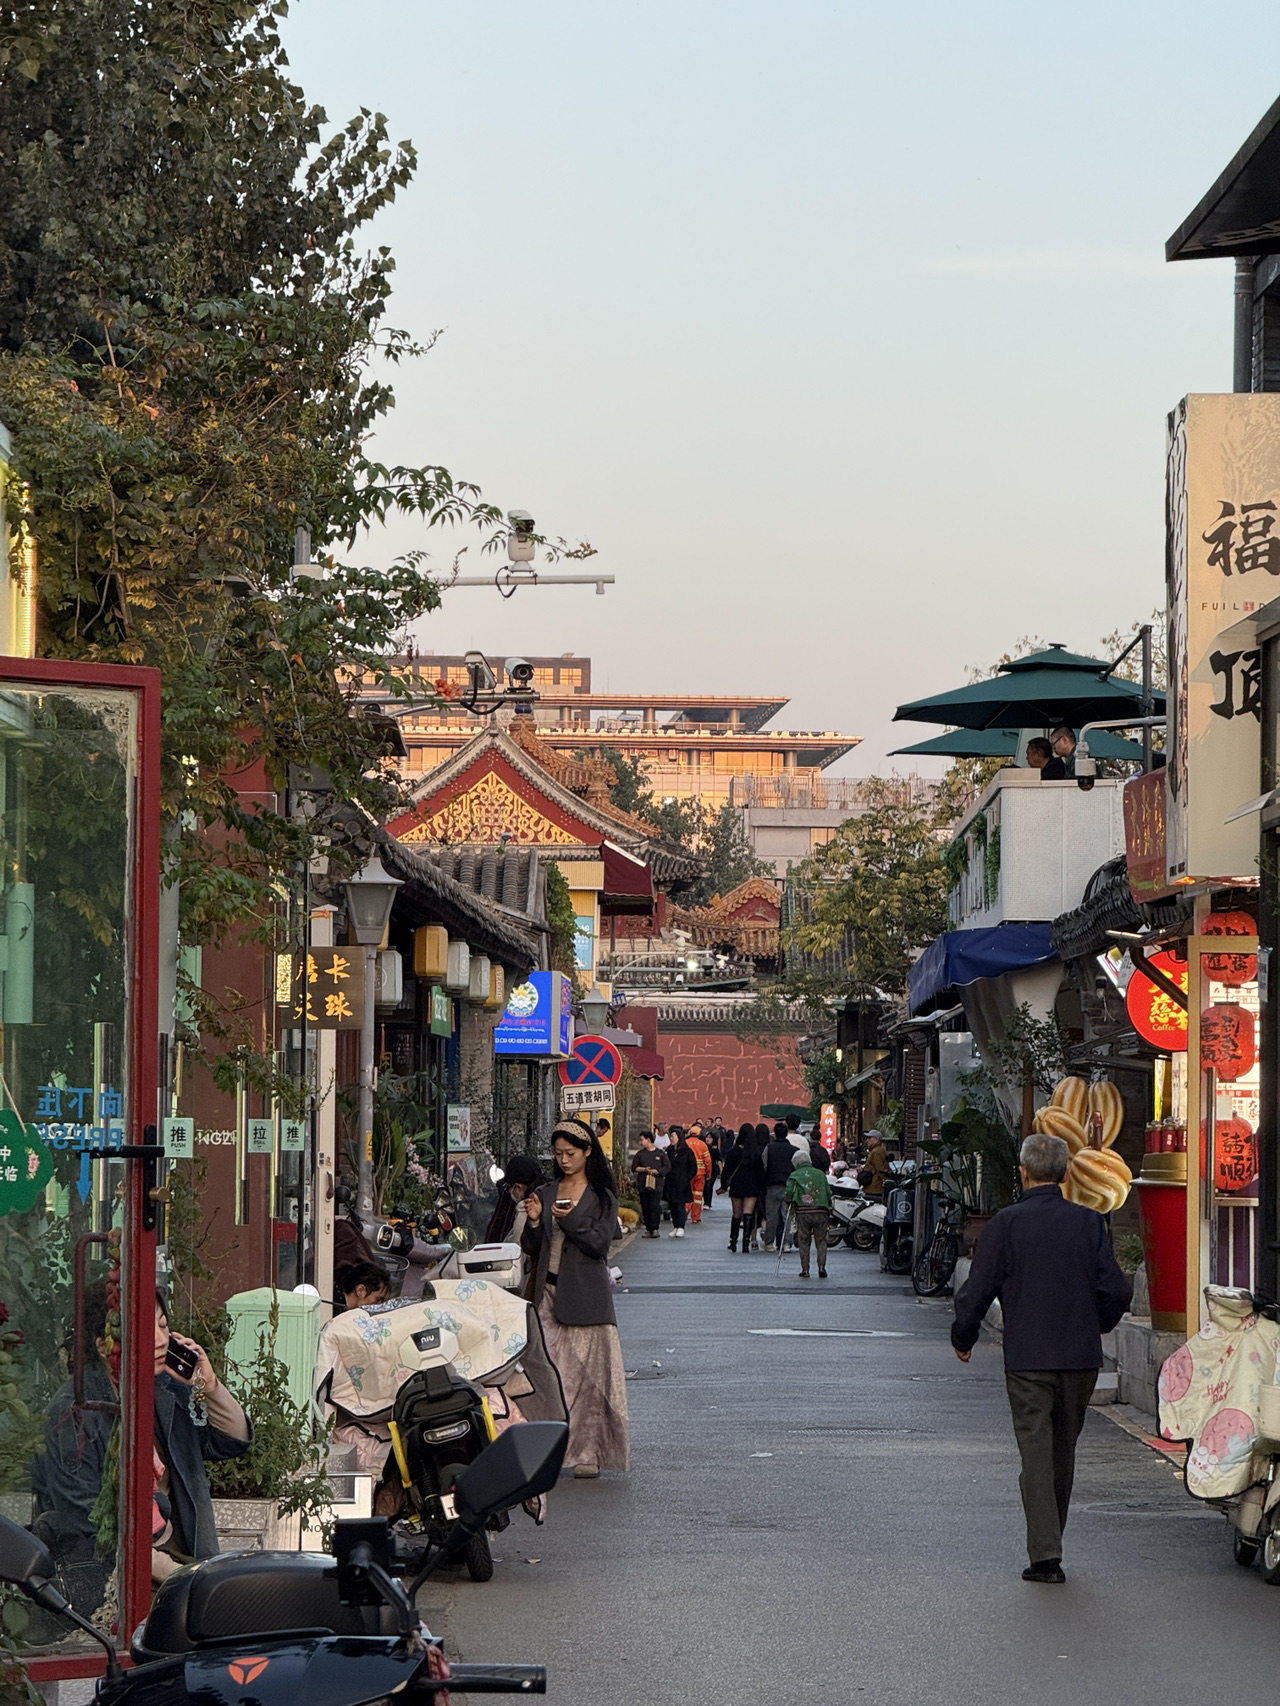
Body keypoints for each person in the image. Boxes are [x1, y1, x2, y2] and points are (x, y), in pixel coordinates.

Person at [951, 1133, 1131, 1584]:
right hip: (1079, 1355)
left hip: (1029, 1355)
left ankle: (1046, 1554)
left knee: (1036, 1451)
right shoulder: (1090, 1223)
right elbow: (1117, 1289)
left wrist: (964, 1334)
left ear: (1023, 1171)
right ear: (1067, 1174)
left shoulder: (1007, 1224)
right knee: (1062, 1450)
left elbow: (978, 1287)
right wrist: (1097, 1325)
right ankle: (1051, 1541)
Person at [34, 1285, 254, 1607]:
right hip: (120, 1581)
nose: (162, 1340)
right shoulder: (76, 1413)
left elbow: (232, 1442)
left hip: (183, 1559)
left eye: (163, 1326)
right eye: (144, 1329)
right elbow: (93, 1527)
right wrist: (186, 1576)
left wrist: (209, 1386)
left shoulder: (163, 1388)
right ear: (103, 1345)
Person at [521, 1118, 630, 1477]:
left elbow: (600, 1243)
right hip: (547, 1294)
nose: (564, 1160)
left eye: (571, 1153)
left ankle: (588, 1453)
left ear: (587, 1152)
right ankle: (546, 1454)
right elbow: (532, 1248)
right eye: (558, 1154)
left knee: (589, 1380)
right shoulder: (547, 1191)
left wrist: (569, 1222)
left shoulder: (602, 1197)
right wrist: (535, 1222)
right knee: (547, 1376)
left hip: (587, 1298)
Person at [720, 1120, 765, 1252]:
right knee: (748, 1213)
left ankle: (733, 1241)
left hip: (736, 1186)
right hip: (752, 1186)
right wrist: (761, 1187)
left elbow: (726, 1170)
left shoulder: (733, 1152)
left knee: (736, 1214)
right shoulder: (755, 1153)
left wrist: (723, 1185)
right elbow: (760, 1172)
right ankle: (746, 1243)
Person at [785, 1154, 833, 1278]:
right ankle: (822, 1267)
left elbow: (789, 1191)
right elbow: (828, 1192)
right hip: (821, 1210)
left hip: (803, 1211)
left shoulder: (795, 1175)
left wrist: (789, 1200)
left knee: (804, 1240)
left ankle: (805, 1269)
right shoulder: (820, 1174)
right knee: (821, 1240)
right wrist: (829, 1206)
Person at [485, 1154, 547, 1244]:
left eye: (509, 1187)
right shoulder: (549, 1198)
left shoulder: (524, 1208)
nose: (508, 1191)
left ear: (518, 1188)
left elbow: (517, 1245)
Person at [763, 1123, 799, 1251]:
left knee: (772, 1216)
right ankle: (787, 1244)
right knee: (787, 1216)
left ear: (775, 1134)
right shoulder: (794, 1150)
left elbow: (764, 1166)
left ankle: (769, 1243)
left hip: (772, 1186)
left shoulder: (769, 1148)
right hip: (789, 1186)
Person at [630, 1129, 668, 1238]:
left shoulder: (660, 1153)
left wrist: (658, 1172)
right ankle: (648, 1229)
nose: (641, 1142)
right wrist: (644, 1169)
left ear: (648, 1140)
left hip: (657, 1184)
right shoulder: (640, 1154)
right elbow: (634, 1167)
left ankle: (655, 1228)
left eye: (642, 1140)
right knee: (645, 1206)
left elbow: (667, 1167)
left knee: (655, 1206)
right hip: (643, 1184)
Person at [663, 1126, 697, 1238]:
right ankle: (675, 1226)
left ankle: (681, 1226)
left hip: (682, 1182)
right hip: (670, 1181)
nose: (671, 1139)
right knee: (672, 1205)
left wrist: (687, 1177)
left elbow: (693, 1167)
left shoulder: (687, 1151)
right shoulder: (669, 1150)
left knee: (680, 1205)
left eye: (672, 1136)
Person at [686, 1124, 712, 1223]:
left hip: (688, 1173)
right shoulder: (703, 1144)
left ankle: (686, 1209)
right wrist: (709, 1173)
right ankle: (695, 1217)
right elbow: (708, 1161)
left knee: (687, 1193)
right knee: (698, 1196)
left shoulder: (685, 1143)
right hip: (700, 1173)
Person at [864, 1129, 891, 1197]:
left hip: (874, 1187)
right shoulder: (876, 1150)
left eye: (870, 1138)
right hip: (873, 1186)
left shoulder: (876, 1152)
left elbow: (880, 1170)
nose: (867, 1140)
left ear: (876, 1139)